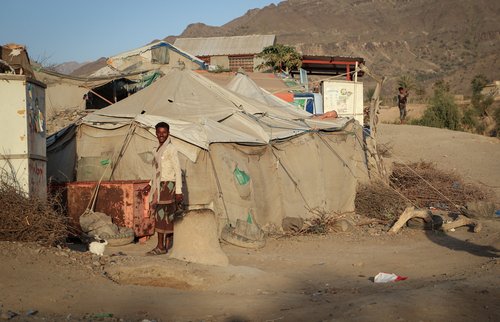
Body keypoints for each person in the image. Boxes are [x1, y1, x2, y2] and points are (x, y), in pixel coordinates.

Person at [142, 122, 183, 255]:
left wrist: (178, 191)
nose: (161, 135)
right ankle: (163, 246)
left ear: (168, 133)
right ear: (156, 133)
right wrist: (149, 184)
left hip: (168, 186)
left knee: (166, 216)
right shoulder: (156, 150)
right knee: (162, 216)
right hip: (158, 186)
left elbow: (177, 170)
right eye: (159, 132)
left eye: (164, 132)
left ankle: (162, 246)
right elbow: (155, 171)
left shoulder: (171, 149)